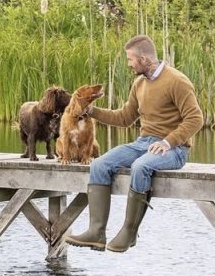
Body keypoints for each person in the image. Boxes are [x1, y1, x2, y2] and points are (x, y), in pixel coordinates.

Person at [66, 34, 203, 253]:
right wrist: (91, 111)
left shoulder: (177, 81)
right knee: (99, 165)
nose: (129, 64)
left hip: (175, 149)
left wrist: (168, 142)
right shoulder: (139, 83)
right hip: (144, 143)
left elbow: (196, 118)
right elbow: (124, 118)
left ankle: (129, 232)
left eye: (131, 59)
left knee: (141, 166)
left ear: (145, 59)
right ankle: (96, 232)